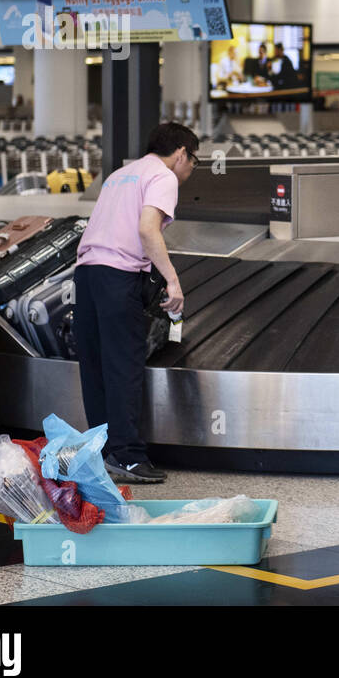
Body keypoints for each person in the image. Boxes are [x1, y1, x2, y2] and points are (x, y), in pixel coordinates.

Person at [72, 122, 199, 484]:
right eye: (193, 161)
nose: (191, 169)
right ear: (180, 154)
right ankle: (128, 457)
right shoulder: (163, 176)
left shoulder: (120, 175)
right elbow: (147, 229)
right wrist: (173, 281)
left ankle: (101, 453)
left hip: (86, 275)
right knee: (123, 368)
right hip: (118, 278)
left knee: (95, 370)